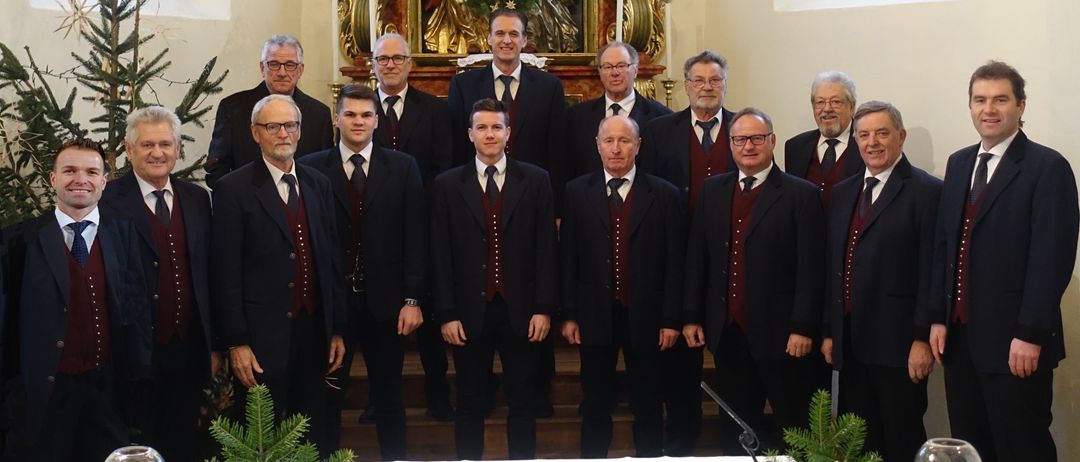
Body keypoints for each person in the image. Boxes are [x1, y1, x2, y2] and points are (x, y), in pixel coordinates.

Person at [927, 61, 1079, 462]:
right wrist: (938, 317)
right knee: (972, 446)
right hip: (960, 341)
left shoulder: (1047, 168)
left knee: (1022, 446)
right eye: (980, 100)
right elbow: (945, 246)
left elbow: (1051, 260)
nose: (989, 109)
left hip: (1016, 344)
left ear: (1021, 106)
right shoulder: (959, 163)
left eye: (1000, 100)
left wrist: (1030, 333)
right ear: (970, 106)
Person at [210, 94, 347, 456]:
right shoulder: (233, 190)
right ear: (256, 133)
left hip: (313, 333)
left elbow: (330, 261)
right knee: (261, 440)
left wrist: (336, 328)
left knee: (312, 434)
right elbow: (225, 273)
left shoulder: (318, 184)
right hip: (260, 339)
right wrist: (236, 343)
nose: (283, 133)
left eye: (290, 125)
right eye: (273, 126)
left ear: (300, 132)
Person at [683, 108, 825, 454]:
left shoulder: (801, 194)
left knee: (794, 429)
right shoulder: (713, 190)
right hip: (728, 333)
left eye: (757, 138)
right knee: (736, 432)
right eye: (740, 139)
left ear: (772, 141)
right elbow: (698, 257)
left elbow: (812, 268)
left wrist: (803, 327)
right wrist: (691, 316)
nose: (748, 146)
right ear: (730, 144)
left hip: (784, 336)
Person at [1, 139, 152, 461]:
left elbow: (136, 310)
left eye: (91, 172)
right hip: (44, 395)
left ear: (103, 181)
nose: (80, 179)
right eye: (69, 170)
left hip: (106, 393)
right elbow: (6, 323)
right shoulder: (19, 241)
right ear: (53, 178)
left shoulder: (123, 235)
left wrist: (137, 380)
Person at [299, 84, 426, 459]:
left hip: (386, 303)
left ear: (377, 121)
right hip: (330, 305)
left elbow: (415, 235)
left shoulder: (403, 167)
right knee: (327, 397)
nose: (358, 121)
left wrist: (412, 299)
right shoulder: (309, 167)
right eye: (350, 114)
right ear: (337, 119)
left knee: (389, 395)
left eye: (366, 115)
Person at [430, 98, 558, 460]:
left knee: (523, 400)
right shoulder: (447, 184)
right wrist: (446, 313)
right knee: (469, 400)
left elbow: (546, 250)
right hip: (468, 312)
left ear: (508, 132)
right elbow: (439, 254)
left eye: (497, 127)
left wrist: (544, 308)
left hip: (523, 311)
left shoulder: (536, 180)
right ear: (470, 134)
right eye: (482, 127)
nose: (490, 134)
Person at [821, 101, 940, 461]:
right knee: (859, 442)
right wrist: (830, 331)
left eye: (882, 133)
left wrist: (922, 338)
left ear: (900, 137)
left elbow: (932, 272)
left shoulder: (927, 192)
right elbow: (835, 265)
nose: (872, 142)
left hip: (900, 346)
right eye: (864, 135)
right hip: (852, 343)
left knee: (901, 439)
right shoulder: (844, 192)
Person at [560, 115, 684, 458]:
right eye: (609, 141)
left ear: (638, 146)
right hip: (593, 315)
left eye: (624, 141)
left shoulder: (664, 194)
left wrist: (671, 319)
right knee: (595, 401)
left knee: (648, 401)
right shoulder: (576, 192)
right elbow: (568, 257)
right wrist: (569, 314)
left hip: (648, 316)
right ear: (597, 146)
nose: (616, 148)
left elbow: (676, 263)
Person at [100, 107, 217, 460]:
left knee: (184, 440)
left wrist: (214, 346)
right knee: (138, 444)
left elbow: (208, 273)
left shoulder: (197, 199)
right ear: (129, 149)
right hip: (133, 353)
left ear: (177, 148)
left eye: (165, 144)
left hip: (188, 348)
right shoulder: (108, 201)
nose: (157, 152)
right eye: (147, 144)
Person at [637, 50, 736, 455]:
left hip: (731, 257)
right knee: (681, 359)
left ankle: (734, 440)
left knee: (732, 355)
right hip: (675, 256)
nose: (706, 87)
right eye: (699, 80)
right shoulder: (660, 131)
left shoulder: (744, 129)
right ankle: (682, 440)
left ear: (724, 84)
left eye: (714, 80)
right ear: (687, 85)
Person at [369, 34, 455, 422]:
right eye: (383, 58)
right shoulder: (359, 109)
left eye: (397, 58)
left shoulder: (435, 109)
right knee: (377, 323)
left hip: (425, 221)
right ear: (373, 64)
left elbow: (445, 165)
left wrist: (416, 200)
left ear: (410, 64)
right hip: (374, 229)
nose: (390, 64)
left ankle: (438, 395)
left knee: (430, 315)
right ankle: (378, 399)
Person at [446, 8, 567, 174]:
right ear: (489, 38)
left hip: (532, 186)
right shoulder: (463, 86)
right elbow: (456, 146)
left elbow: (558, 150)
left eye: (514, 34)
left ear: (524, 40)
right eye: (500, 33)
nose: (507, 40)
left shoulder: (549, 87)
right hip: (479, 184)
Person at [204, 35, 333, 189]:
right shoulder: (233, 108)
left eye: (290, 65)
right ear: (262, 68)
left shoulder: (319, 114)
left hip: (300, 200)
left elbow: (324, 169)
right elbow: (217, 169)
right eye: (274, 64)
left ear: (300, 70)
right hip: (248, 199)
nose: (282, 72)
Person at [566, 41, 672, 180]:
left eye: (621, 66)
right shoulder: (576, 117)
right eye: (607, 67)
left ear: (635, 70)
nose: (614, 73)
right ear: (599, 72)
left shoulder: (661, 117)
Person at [784, 71, 864, 206]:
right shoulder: (795, 147)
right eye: (820, 102)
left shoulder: (866, 145)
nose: (827, 109)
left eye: (835, 102)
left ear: (852, 106)